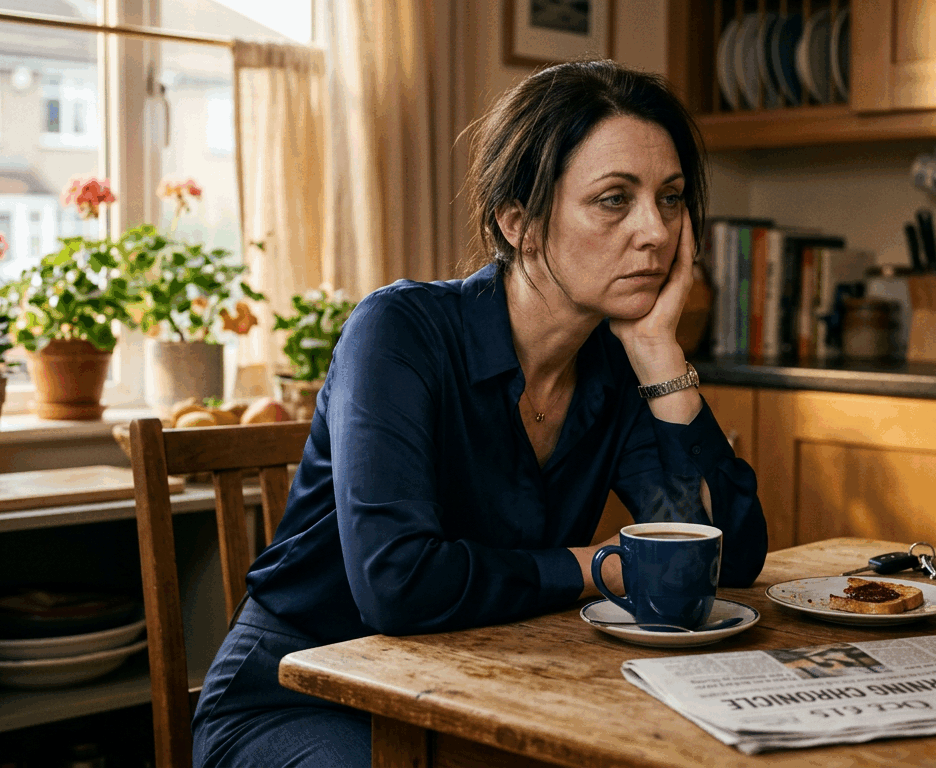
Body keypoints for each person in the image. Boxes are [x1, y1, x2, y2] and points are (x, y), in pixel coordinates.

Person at [191, 58, 767, 767]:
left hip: (478, 694)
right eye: (615, 199)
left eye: (671, 198)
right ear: (518, 221)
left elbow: (728, 558)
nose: (656, 231)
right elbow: (397, 586)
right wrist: (598, 566)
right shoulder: (398, 332)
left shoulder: (619, 366)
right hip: (300, 697)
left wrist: (659, 355)